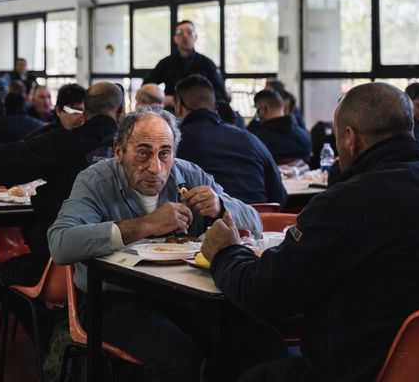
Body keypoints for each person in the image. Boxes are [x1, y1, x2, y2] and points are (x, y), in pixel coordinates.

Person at [201, 82, 419, 382]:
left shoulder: (348, 202)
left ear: (349, 139)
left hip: (368, 371)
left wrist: (227, 252)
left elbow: (265, 293)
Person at [48, 107, 273, 382]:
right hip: (113, 298)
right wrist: (144, 225)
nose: (155, 167)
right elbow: (60, 244)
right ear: (119, 151)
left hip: (183, 294)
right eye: (143, 152)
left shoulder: (189, 174)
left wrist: (221, 205)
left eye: (165, 153)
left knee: (259, 342)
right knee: (180, 359)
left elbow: (256, 224)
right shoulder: (96, 180)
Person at [0, 82, 125, 287]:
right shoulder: (134, 150)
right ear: (122, 111)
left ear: (84, 113)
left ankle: (45, 320)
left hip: (61, 263)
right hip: (121, 266)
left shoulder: (62, 142)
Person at [175, 75, 286, 206]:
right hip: (259, 222)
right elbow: (280, 197)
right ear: (216, 109)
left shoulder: (175, 143)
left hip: (211, 224)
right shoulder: (251, 139)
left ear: (179, 107)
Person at [143, 20, 227, 109]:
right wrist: (162, 98)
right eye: (180, 33)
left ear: (195, 37)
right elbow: (147, 86)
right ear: (175, 39)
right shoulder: (166, 63)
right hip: (172, 111)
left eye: (189, 32)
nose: (185, 36)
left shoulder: (207, 64)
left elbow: (220, 94)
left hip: (199, 112)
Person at [249, 89, 313, 164]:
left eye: (258, 110)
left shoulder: (258, 140)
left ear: (264, 109)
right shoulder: (304, 136)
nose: (258, 115)